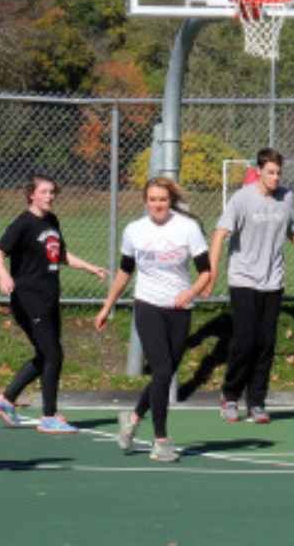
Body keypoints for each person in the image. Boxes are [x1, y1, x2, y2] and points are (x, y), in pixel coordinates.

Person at [200, 148, 294, 424]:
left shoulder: (286, 198)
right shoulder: (242, 199)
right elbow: (219, 235)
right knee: (245, 341)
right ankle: (230, 396)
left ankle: (256, 402)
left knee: (266, 343)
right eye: (270, 172)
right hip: (243, 280)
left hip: (273, 282)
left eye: (279, 173)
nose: (275, 177)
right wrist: (211, 272)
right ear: (259, 171)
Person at [95, 177, 212, 462]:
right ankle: (161, 441)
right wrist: (106, 306)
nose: (157, 204)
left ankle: (133, 418)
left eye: (162, 199)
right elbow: (125, 272)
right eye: (152, 199)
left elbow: (206, 272)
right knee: (161, 371)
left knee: (166, 373)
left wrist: (191, 292)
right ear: (145, 201)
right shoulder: (134, 231)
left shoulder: (188, 228)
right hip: (147, 306)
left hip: (179, 309)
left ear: (170, 200)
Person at [0, 174, 107, 434]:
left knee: (46, 354)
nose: (49, 196)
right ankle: (49, 416)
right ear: (32, 194)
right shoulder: (23, 223)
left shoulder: (52, 221)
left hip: (50, 297)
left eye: (52, 192)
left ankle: (6, 399)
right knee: (53, 354)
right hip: (29, 300)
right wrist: (3, 275)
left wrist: (90, 268)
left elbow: (60, 254)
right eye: (44, 192)